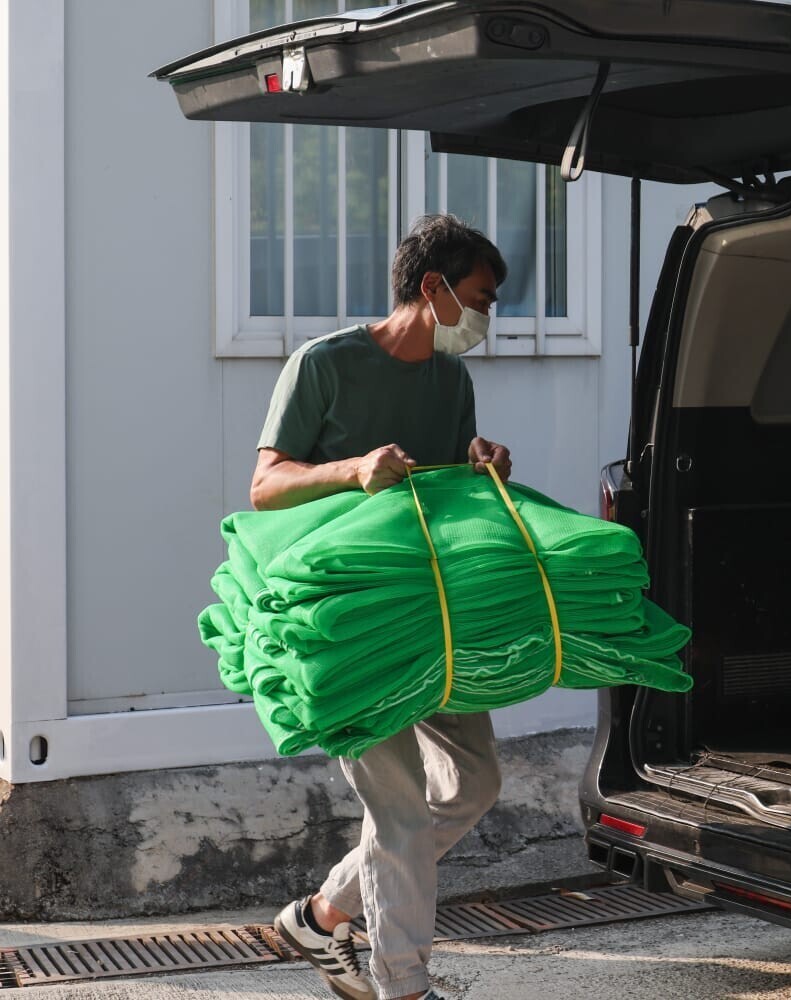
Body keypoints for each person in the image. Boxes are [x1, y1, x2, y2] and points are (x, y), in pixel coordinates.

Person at [254, 214, 513, 1000]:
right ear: (433, 287)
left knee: (475, 781)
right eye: (481, 298)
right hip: (345, 623)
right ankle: (404, 984)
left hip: (428, 617)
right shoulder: (324, 365)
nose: (487, 315)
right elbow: (265, 486)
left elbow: (445, 494)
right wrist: (352, 469)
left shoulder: (450, 380)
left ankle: (323, 913)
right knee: (400, 815)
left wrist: (479, 462)